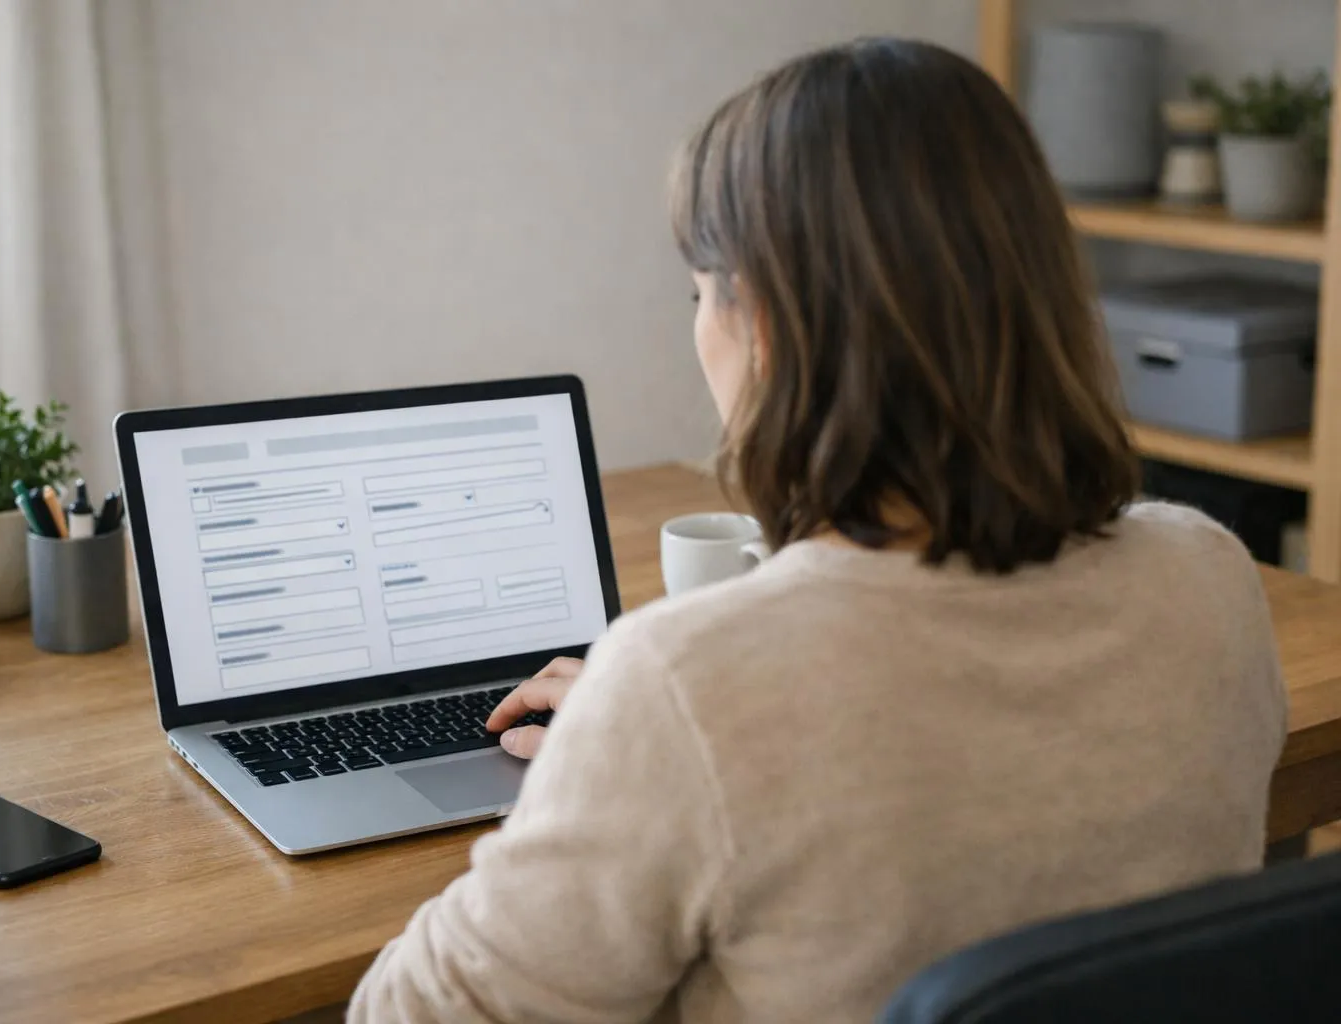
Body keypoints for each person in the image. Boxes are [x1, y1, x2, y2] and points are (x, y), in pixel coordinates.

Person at [347, 38, 1286, 1023]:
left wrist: (615, 758)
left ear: (767, 327)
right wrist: (630, 747)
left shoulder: (685, 689)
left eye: (699, 291)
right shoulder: (1210, 577)